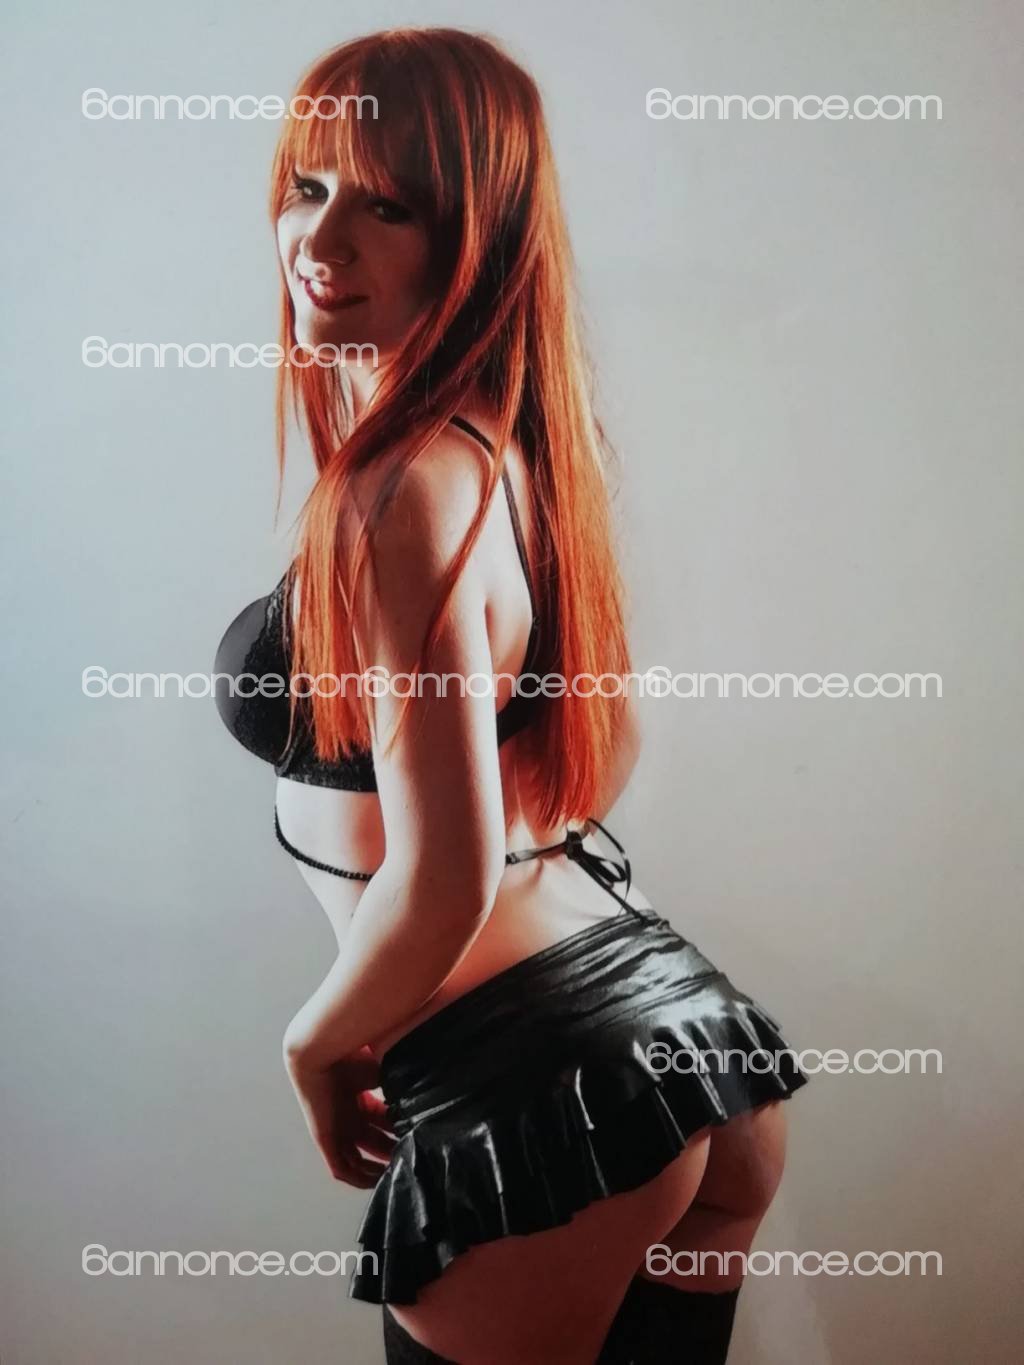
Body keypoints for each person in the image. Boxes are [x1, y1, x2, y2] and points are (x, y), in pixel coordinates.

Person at [213, 27, 809, 1364]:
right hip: (675, 1035)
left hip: (540, 1090)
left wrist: (316, 1044)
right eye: (308, 186)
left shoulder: (396, 492)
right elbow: (597, 749)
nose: (321, 240)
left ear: (475, 234)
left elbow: (448, 874)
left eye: (388, 205)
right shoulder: (512, 445)